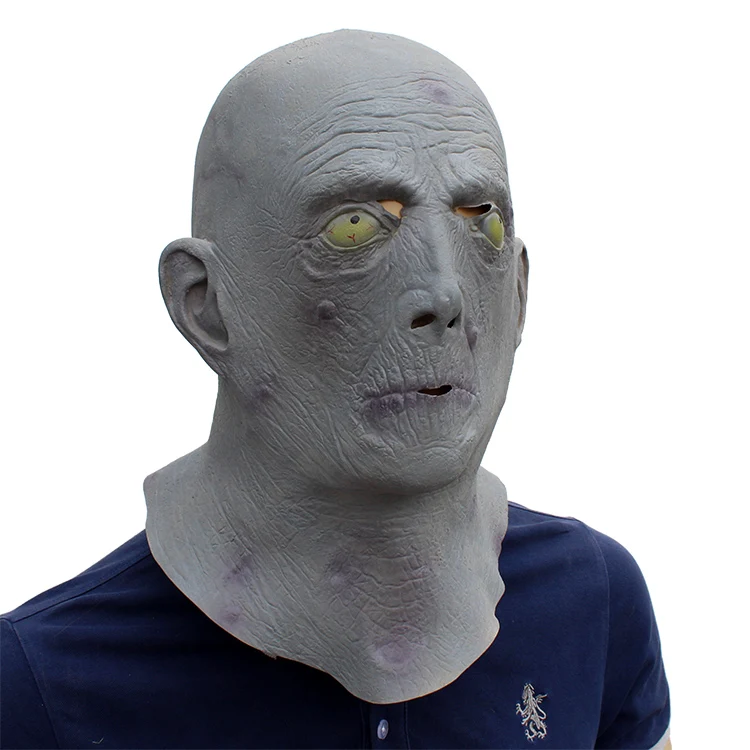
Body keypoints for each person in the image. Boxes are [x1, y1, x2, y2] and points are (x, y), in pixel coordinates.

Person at [0, 30, 670, 749]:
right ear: (207, 304)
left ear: (521, 292)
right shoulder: (42, 688)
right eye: (355, 227)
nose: (445, 293)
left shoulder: (590, 604)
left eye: (484, 225)